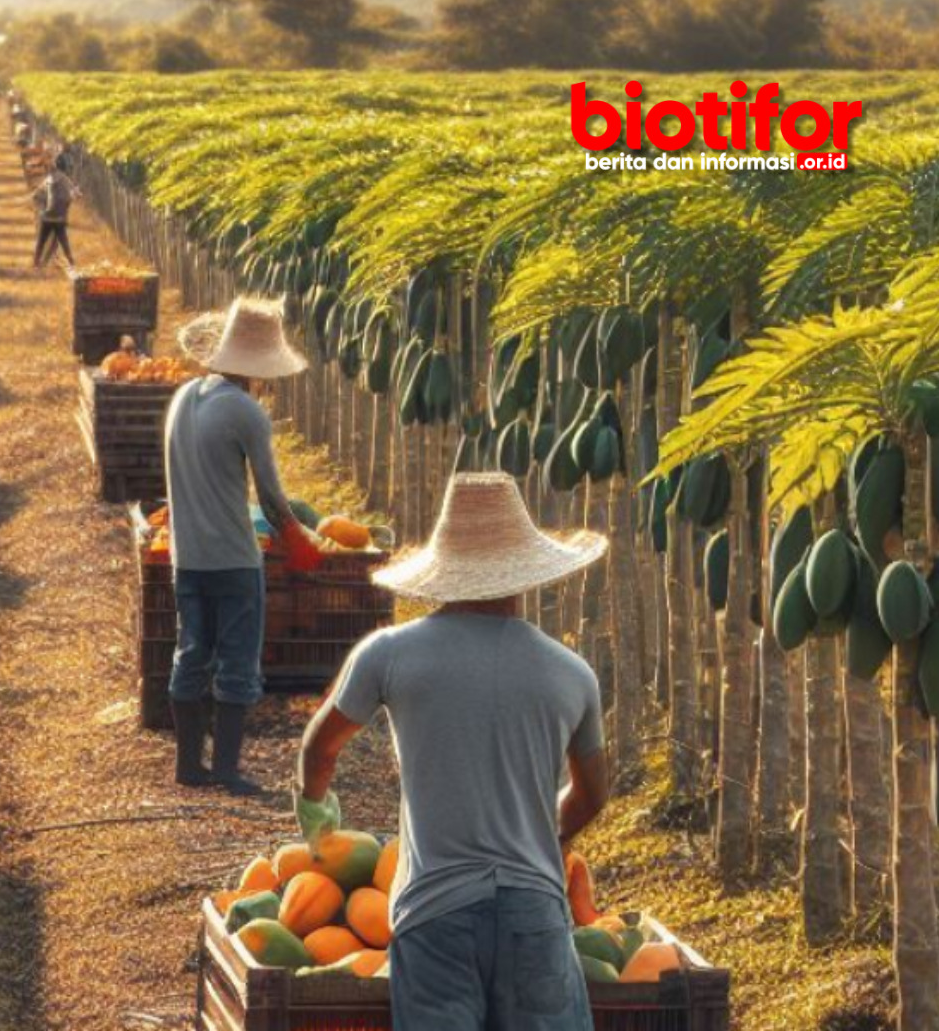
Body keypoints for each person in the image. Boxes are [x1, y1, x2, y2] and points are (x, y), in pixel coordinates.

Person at [295, 473, 614, 1031]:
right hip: (533, 912)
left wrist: (316, 816)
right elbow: (593, 795)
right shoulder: (571, 675)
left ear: (443, 571)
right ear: (527, 574)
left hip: (434, 912)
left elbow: (320, 749)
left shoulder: (390, 654)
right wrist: (542, 836)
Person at [162, 298, 324, 793]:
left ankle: (188, 766)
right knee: (237, 663)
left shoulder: (183, 397)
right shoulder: (247, 412)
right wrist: (300, 541)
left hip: (185, 556)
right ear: (258, 367)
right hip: (234, 558)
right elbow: (273, 499)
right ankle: (229, 770)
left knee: (191, 654)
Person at [32, 151, 79, 269]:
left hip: (46, 217)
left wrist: (42, 207)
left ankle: (36, 263)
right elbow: (74, 194)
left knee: (41, 241)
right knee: (64, 242)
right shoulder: (65, 179)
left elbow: (37, 195)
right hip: (60, 218)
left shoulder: (48, 179)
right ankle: (71, 262)